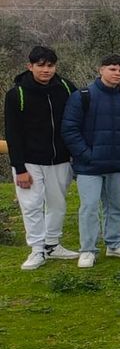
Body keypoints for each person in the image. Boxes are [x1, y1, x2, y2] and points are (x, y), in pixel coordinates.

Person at [60, 54, 120, 267]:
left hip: (117, 163)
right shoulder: (82, 96)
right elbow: (70, 130)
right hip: (89, 165)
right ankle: (87, 249)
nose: (117, 73)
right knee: (89, 207)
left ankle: (114, 244)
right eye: (112, 69)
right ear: (101, 70)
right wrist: (87, 155)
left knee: (115, 206)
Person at [6, 46, 79, 270]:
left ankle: (52, 244)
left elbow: (85, 108)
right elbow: (12, 133)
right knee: (32, 205)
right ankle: (37, 249)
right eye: (41, 65)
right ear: (30, 66)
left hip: (60, 159)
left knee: (57, 204)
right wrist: (19, 168)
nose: (46, 70)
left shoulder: (66, 87)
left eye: (50, 65)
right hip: (29, 161)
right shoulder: (16, 94)